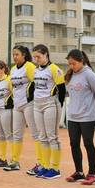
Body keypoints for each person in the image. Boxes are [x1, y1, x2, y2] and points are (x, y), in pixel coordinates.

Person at [65, 49, 95, 185]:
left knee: (88, 143)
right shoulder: (71, 75)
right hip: (73, 117)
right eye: (69, 64)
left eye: (74, 64)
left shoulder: (89, 74)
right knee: (74, 143)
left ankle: (92, 174)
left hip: (87, 116)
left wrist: (91, 106)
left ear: (82, 61)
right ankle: (79, 172)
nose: (71, 66)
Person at [31, 44, 66, 179]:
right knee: (42, 136)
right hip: (37, 105)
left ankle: (55, 168)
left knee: (52, 136)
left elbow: (62, 89)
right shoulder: (35, 70)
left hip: (50, 104)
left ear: (46, 54)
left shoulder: (54, 69)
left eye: (38, 56)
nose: (36, 59)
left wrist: (59, 105)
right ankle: (45, 166)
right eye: (34, 57)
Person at [4, 45, 38, 172]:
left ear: (24, 55)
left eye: (17, 54)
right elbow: (12, 86)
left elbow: (36, 82)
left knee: (35, 134)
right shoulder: (13, 69)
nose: (14, 57)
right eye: (13, 54)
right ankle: (14, 161)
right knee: (17, 135)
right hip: (17, 105)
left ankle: (40, 163)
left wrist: (31, 97)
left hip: (29, 104)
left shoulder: (29, 66)